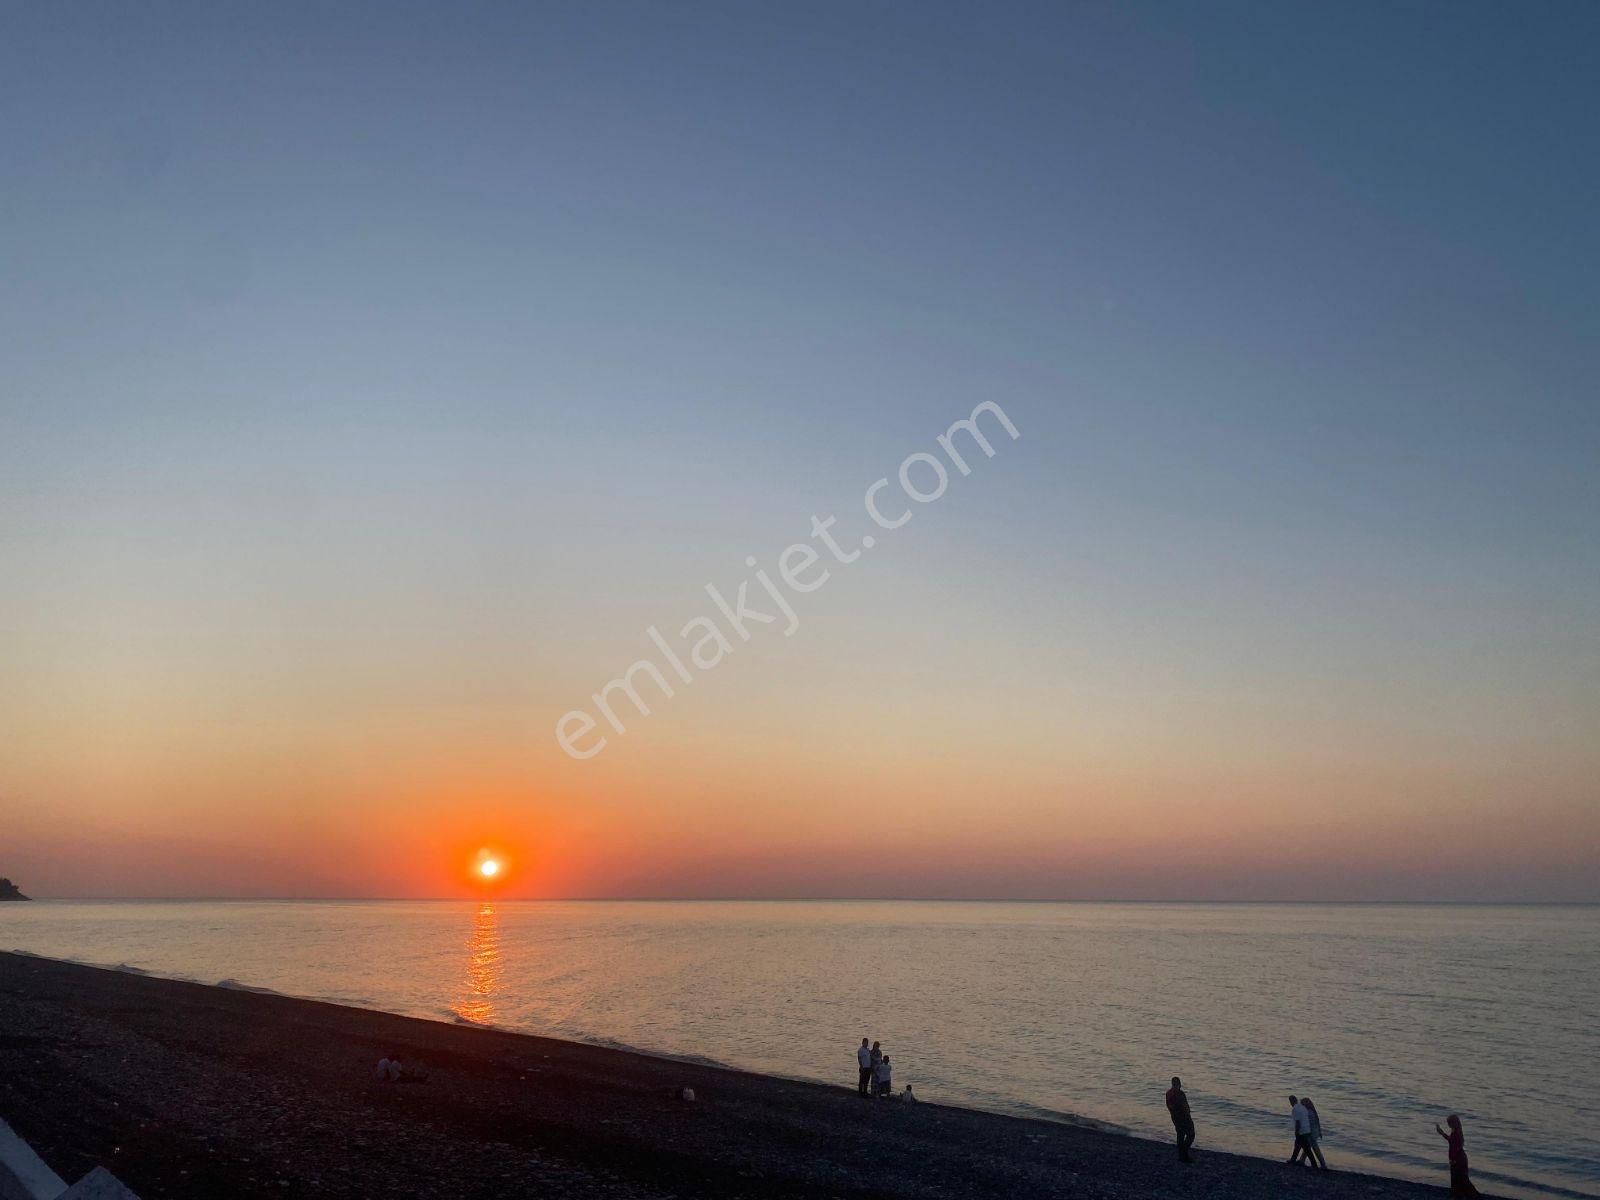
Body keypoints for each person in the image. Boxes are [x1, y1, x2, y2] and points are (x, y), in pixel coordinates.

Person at [1436, 1114, 1481, 1197]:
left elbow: (1455, 1148)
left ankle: (1472, 1195)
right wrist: (1442, 1133)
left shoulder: (1456, 1133)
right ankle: (1468, 1195)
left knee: (1460, 1180)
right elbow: (1451, 1142)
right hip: (1460, 1158)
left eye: (1449, 1123)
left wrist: (1453, 1160)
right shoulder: (1456, 1131)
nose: (1448, 1125)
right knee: (1462, 1179)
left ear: (1454, 1123)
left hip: (1458, 1159)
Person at [1165, 1076, 1196, 1162]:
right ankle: (1184, 1152)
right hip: (1183, 1117)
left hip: (1175, 1117)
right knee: (1191, 1134)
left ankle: (1181, 1155)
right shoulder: (1180, 1093)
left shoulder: (1168, 1093)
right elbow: (1184, 1106)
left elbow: (1169, 1106)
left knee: (1180, 1135)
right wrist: (1188, 1115)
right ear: (1179, 1084)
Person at [1288, 1096, 1322, 1167]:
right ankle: (1294, 1160)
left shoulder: (1295, 1109)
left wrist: (1296, 1132)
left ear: (1291, 1102)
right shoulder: (1303, 1108)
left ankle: (1314, 1164)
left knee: (1306, 1149)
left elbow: (1298, 1122)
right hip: (1308, 1131)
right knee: (1301, 1147)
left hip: (1302, 1131)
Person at [1301, 1096, 1328, 1168]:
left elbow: (1308, 1124)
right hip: (1315, 1133)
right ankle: (1301, 1160)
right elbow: (1317, 1123)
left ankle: (1323, 1164)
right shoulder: (1312, 1111)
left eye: (1302, 1104)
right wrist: (1319, 1132)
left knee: (1315, 1149)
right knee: (1307, 1147)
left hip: (1311, 1133)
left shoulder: (1308, 1112)